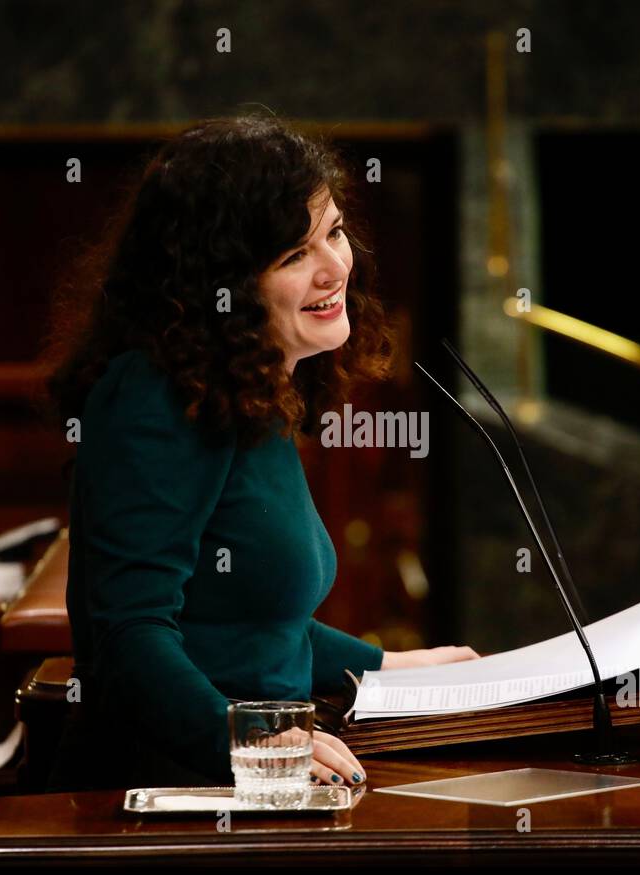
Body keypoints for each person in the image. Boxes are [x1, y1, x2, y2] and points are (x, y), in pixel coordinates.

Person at [43, 116, 479, 792]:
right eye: (293, 255)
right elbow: (127, 633)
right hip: (163, 792)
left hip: (248, 780)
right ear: (222, 286)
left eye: (332, 231)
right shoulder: (155, 397)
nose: (337, 266)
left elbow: (246, 621)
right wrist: (254, 747)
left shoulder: (248, 389)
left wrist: (386, 667)